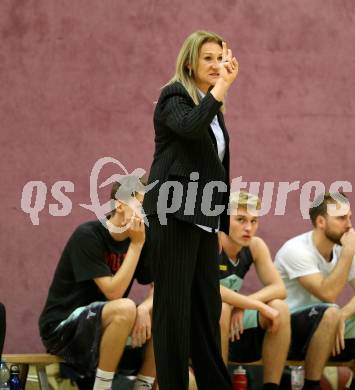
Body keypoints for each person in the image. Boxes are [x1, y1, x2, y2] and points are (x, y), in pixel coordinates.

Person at [142, 30, 239, 389]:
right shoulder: (175, 97)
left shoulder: (213, 108)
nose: (217, 65)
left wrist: (219, 217)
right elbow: (189, 127)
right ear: (189, 63)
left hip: (202, 218)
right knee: (173, 310)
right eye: (208, 59)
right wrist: (220, 90)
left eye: (220, 57)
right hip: (173, 214)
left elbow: (216, 164)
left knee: (206, 310)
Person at [39, 180, 155, 390]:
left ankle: (142, 387)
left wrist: (146, 308)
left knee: (168, 313)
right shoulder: (88, 235)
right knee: (125, 307)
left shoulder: (141, 238)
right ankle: (102, 387)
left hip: (109, 326)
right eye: (142, 206)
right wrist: (136, 246)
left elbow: (161, 286)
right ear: (120, 205)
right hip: (63, 330)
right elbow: (114, 292)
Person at [275, 192, 355, 390]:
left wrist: (343, 316)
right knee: (330, 310)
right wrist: (348, 254)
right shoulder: (296, 249)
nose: (349, 225)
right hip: (288, 331)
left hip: (327, 325)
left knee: (336, 313)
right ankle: (312, 386)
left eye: (350, 217)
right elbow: (327, 294)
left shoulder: (344, 249)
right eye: (341, 218)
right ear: (320, 221)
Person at [218, 191, 290, 390]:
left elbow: (279, 288)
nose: (249, 228)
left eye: (254, 221)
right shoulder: (210, 242)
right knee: (222, 308)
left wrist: (243, 305)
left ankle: (271, 387)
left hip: (232, 319)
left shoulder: (255, 245)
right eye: (240, 219)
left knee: (280, 308)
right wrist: (253, 304)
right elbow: (211, 291)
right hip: (196, 322)